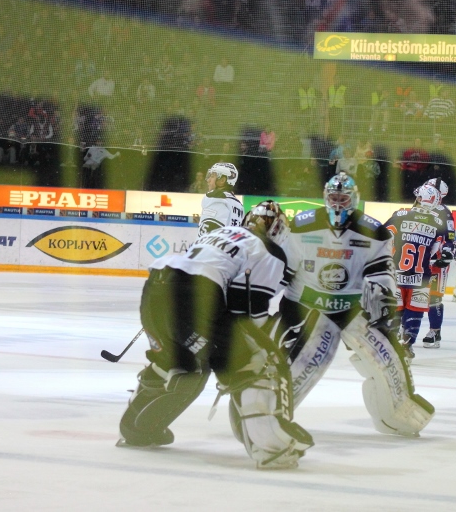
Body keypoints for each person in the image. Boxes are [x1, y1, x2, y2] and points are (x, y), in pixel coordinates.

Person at [118, 201, 314, 469]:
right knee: (250, 364)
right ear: (279, 231)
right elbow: (246, 312)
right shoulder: (269, 251)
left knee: (177, 366)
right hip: (194, 302)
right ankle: (272, 449)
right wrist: (262, 348)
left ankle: (135, 430)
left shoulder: (218, 233)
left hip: (154, 292)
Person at [270, 173, 435, 437]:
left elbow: (382, 272)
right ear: (325, 198)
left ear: (353, 199)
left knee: (389, 359)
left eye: (343, 198)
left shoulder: (374, 231)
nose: (337, 204)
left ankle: (396, 412)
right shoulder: (301, 225)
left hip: (351, 308)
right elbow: (283, 269)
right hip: (304, 305)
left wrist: (383, 307)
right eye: (333, 198)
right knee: (287, 364)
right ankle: (265, 415)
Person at [384, 184, 450, 359]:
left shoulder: (400, 215)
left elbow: (383, 237)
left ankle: (390, 345)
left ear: (420, 198)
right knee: (415, 313)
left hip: (397, 274)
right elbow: (438, 253)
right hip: (421, 277)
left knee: (395, 310)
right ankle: (407, 345)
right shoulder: (438, 223)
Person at [417, 179, 456, 349]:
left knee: (434, 297)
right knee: (411, 294)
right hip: (418, 259)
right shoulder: (417, 207)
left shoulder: (444, 213)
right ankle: (406, 328)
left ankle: (435, 331)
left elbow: (450, 237)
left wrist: (447, 252)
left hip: (436, 262)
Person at [197, 162, 243, 237]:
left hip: (214, 247)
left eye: (212, 176)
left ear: (222, 180)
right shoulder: (238, 204)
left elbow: (208, 237)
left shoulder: (216, 198)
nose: (208, 180)